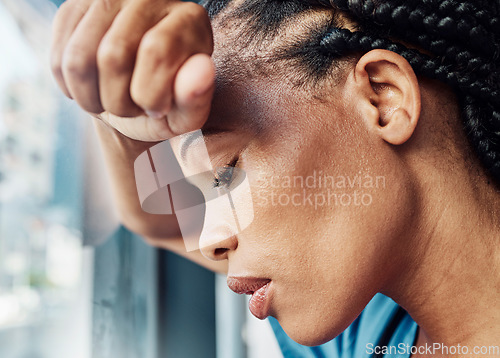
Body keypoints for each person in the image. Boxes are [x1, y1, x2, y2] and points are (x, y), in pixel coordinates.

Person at [50, 0, 500, 357]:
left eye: (224, 176)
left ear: (383, 98)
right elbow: (157, 218)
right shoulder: (371, 337)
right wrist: (117, 109)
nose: (208, 241)